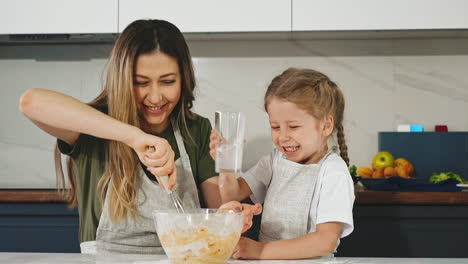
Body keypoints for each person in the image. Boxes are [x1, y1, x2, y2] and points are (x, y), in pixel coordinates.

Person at [19, 19, 260, 254]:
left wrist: (231, 216)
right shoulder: (93, 126)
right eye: (140, 83)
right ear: (122, 80)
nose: (155, 97)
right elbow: (30, 102)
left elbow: (217, 214)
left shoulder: (195, 129)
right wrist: (133, 137)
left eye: (167, 81)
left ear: (183, 78)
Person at [210, 68, 355, 259]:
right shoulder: (274, 161)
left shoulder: (333, 171)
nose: (283, 137)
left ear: (326, 125)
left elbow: (325, 241)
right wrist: (226, 164)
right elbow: (232, 193)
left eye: (293, 127)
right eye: (275, 127)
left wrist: (258, 250)